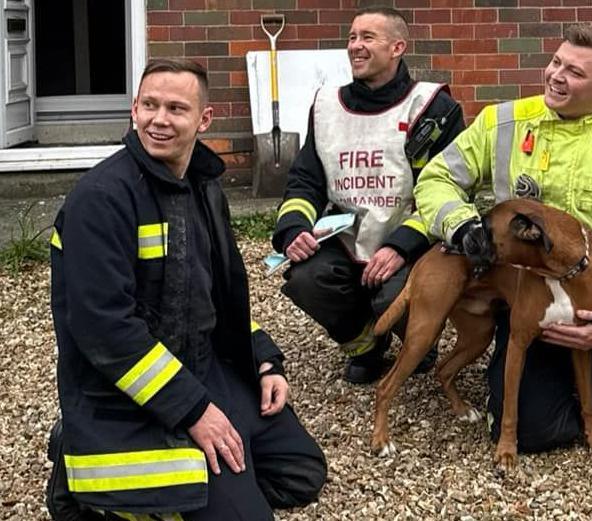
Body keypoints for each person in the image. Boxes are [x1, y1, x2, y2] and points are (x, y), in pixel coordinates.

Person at [45, 58, 327, 521]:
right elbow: (106, 331)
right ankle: (80, 466)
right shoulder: (100, 200)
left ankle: (214, 478)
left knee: (300, 471)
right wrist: (195, 411)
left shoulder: (202, 187)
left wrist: (263, 358)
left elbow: (217, 296)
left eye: (176, 108)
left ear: (204, 119)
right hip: (122, 399)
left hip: (200, 367)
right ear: (133, 110)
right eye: (149, 105)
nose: (159, 119)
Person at [413, 24, 592, 454]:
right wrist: (463, 226)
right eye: (556, 62)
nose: (557, 76)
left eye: (575, 72)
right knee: (535, 434)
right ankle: (560, 385)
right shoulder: (501, 121)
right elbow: (438, 177)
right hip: (530, 299)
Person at [273, 6, 464, 384]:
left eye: (367, 38)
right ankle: (365, 347)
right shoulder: (326, 105)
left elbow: (448, 189)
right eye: (352, 37)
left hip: (415, 242)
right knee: (307, 279)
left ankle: (419, 342)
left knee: (392, 295)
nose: (355, 47)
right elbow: (305, 180)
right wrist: (294, 228)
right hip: (344, 238)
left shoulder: (432, 108)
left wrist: (400, 246)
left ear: (397, 48)